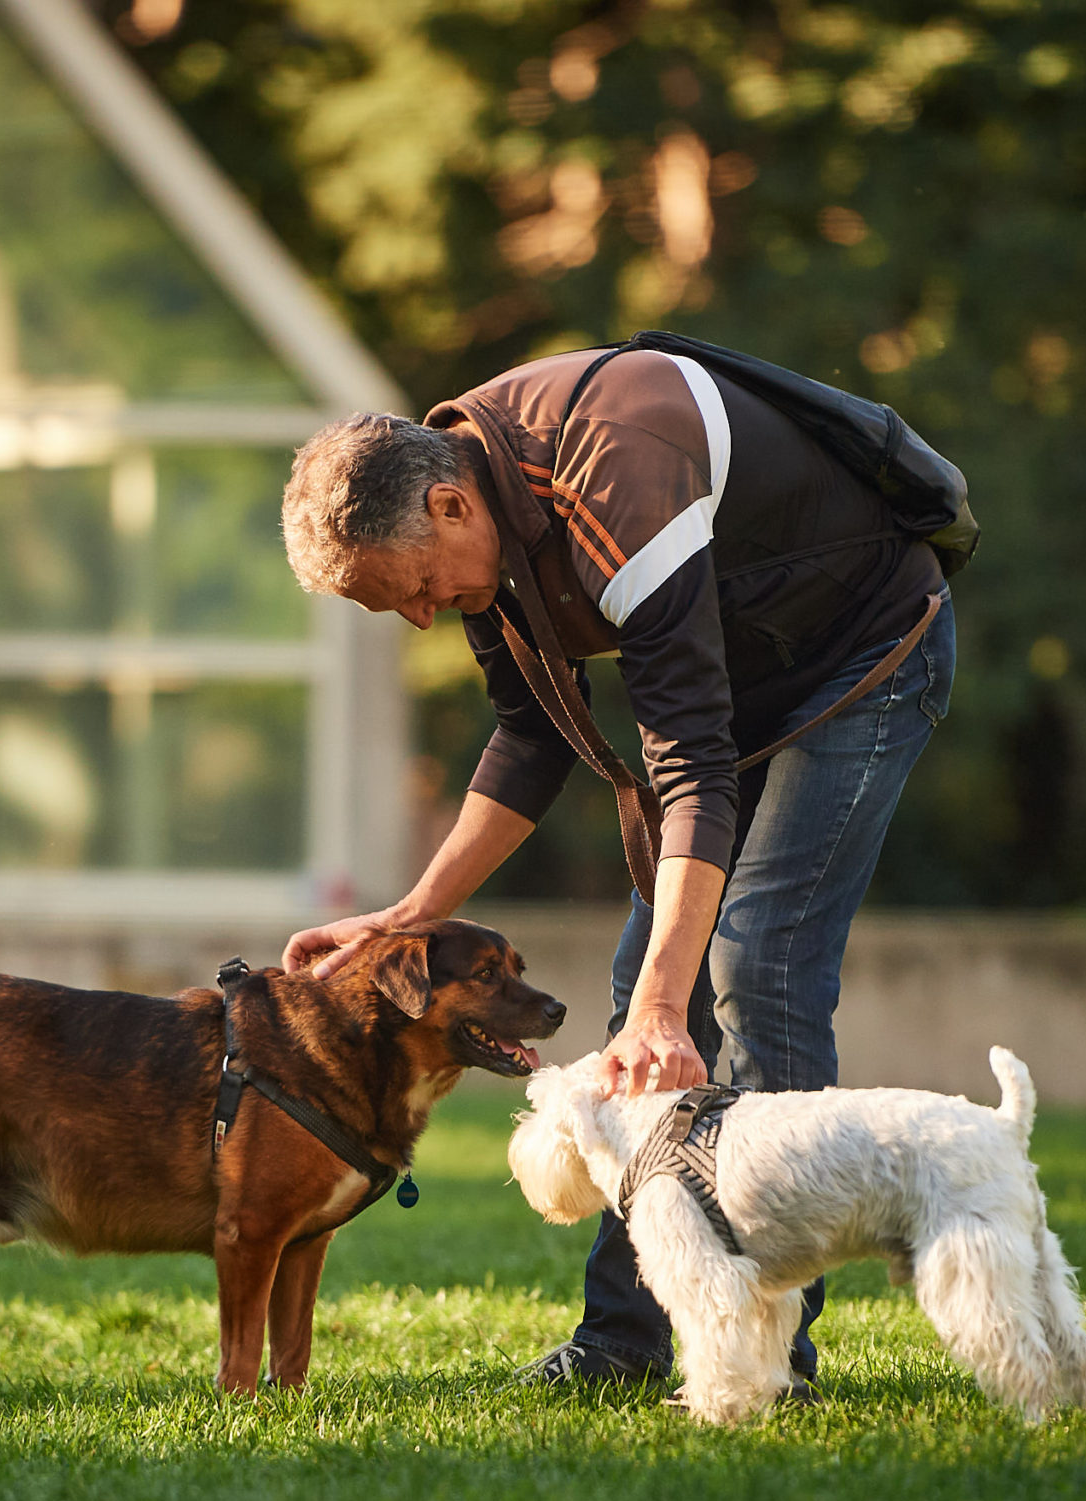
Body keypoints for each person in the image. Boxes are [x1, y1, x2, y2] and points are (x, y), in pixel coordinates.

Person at [277, 342, 957, 1392]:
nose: (422, 617)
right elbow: (529, 740)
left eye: (414, 589)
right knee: (639, 987)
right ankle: (625, 1343)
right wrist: (403, 916)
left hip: (862, 658)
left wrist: (665, 1008)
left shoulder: (613, 463)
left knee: (753, 966)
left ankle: (775, 1353)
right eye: (398, 611)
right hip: (739, 696)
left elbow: (689, 763)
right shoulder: (481, 533)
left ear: (452, 508)